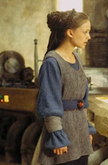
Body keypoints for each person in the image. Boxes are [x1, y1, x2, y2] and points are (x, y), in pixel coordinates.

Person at [36, 9, 96, 165]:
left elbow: (81, 100)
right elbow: (49, 103)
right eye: (85, 32)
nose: (88, 37)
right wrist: (57, 135)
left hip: (80, 133)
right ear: (70, 32)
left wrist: (87, 128)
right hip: (63, 134)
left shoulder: (76, 57)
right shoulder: (52, 62)